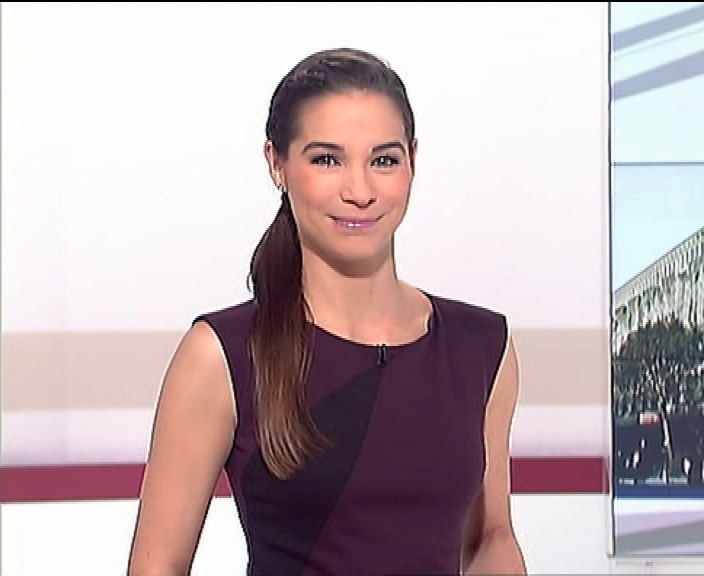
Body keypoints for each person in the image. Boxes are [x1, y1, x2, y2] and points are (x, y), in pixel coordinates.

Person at [127, 47, 527, 576]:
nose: (359, 191)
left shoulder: (481, 345)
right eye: (326, 159)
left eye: (383, 160)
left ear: (412, 160)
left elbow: (490, 538)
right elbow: (157, 566)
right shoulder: (222, 354)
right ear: (277, 164)